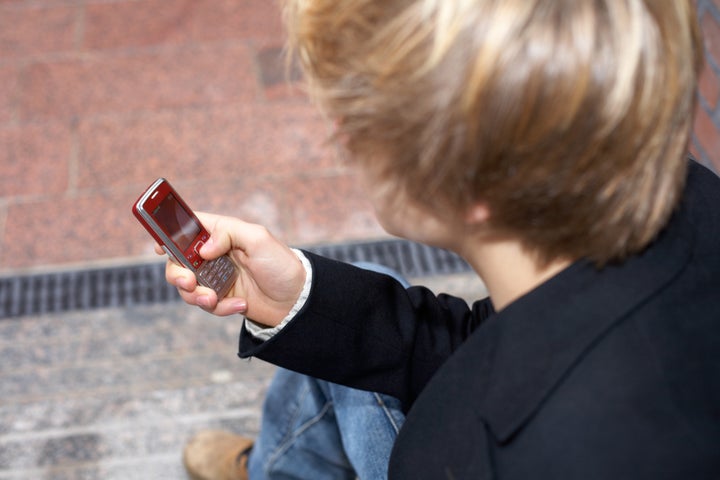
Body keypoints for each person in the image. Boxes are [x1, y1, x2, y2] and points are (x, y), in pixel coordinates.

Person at [167, 0, 720, 478]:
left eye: (361, 122)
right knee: (357, 304)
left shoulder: (458, 456)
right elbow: (492, 345)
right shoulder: (693, 197)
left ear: (468, 174)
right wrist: (296, 302)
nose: (341, 139)